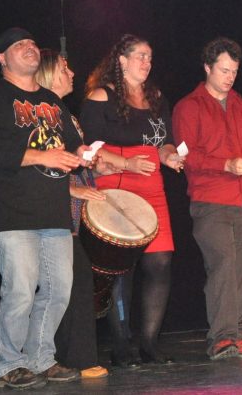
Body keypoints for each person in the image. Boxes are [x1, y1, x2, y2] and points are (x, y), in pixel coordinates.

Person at [0, 27, 88, 388]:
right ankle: (10, 363)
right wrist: (42, 155)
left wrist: (85, 154)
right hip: (11, 213)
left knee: (59, 290)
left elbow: (72, 144)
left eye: (33, 43)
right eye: (19, 45)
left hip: (53, 211)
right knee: (20, 290)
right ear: (2, 58)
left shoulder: (52, 100)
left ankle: (41, 358)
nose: (30, 48)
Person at [80, 34, 184, 366]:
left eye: (150, 57)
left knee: (160, 261)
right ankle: (121, 344)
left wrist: (169, 157)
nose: (146, 62)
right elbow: (88, 149)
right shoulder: (101, 95)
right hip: (116, 183)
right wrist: (126, 163)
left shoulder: (156, 97)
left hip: (151, 183)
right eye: (140, 55)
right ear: (121, 60)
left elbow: (165, 141)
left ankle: (149, 343)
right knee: (119, 267)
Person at [171, 38, 242, 360]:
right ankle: (222, 337)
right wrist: (226, 164)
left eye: (234, 71)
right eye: (224, 70)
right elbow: (187, 155)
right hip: (211, 200)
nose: (230, 77)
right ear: (207, 67)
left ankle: (241, 335)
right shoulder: (189, 106)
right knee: (223, 266)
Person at [34, 49, 110, 381]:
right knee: (70, 284)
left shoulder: (64, 112)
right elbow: (38, 165)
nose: (72, 73)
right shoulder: (41, 113)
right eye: (64, 68)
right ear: (48, 73)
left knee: (71, 284)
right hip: (53, 211)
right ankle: (74, 358)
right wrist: (72, 189)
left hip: (72, 216)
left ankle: (68, 357)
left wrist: (92, 164)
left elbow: (71, 160)